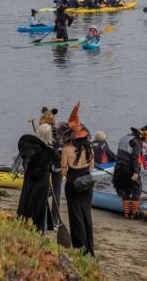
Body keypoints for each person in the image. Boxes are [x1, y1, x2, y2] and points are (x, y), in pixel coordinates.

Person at [61, 103, 95, 256]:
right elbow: (91, 168)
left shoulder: (66, 150)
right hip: (87, 183)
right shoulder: (90, 147)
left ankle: (80, 248)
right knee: (86, 214)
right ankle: (89, 249)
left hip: (73, 183)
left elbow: (64, 170)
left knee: (75, 216)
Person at [17, 123, 57, 232]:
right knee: (39, 205)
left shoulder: (28, 148)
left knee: (27, 202)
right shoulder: (49, 151)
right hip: (41, 182)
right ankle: (38, 228)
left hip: (29, 180)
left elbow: (26, 164)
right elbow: (56, 166)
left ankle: (24, 224)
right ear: (49, 136)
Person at [113, 122, 147, 219]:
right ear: (143, 136)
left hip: (118, 168)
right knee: (137, 189)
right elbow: (135, 157)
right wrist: (136, 171)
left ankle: (126, 213)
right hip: (129, 168)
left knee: (126, 189)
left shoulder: (124, 138)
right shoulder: (137, 141)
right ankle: (133, 214)